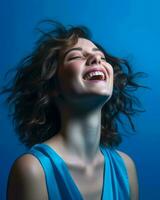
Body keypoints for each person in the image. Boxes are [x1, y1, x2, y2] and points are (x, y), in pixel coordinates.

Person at [2, 20, 142, 200]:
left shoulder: (126, 168)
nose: (96, 59)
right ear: (52, 86)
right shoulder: (33, 171)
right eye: (76, 56)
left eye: (102, 57)